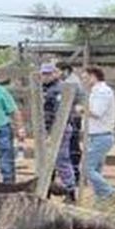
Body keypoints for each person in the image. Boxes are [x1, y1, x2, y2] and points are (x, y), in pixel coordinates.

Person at [39, 61, 77, 192]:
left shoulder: (59, 89)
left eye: (48, 73)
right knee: (48, 159)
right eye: (43, 73)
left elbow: (59, 113)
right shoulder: (42, 88)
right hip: (47, 129)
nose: (45, 76)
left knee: (61, 158)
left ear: (55, 74)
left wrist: (52, 133)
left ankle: (70, 188)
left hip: (59, 128)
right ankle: (48, 186)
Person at [82, 65, 115, 204]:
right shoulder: (97, 91)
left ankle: (110, 193)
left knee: (86, 168)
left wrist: (81, 109)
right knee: (95, 168)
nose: (84, 81)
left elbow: (97, 112)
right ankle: (101, 198)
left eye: (85, 78)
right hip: (98, 135)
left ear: (93, 76)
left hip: (100, 135)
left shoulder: (102, 92)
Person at [58, 59, 84, 181]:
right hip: (73, 115)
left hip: (72, 117)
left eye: (58, 71)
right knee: (72, 145)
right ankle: (74, 172)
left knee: (72, 145)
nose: (57, 74)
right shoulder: (71, 80)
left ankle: (74, 172)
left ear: (65, 71)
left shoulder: (70, 82)